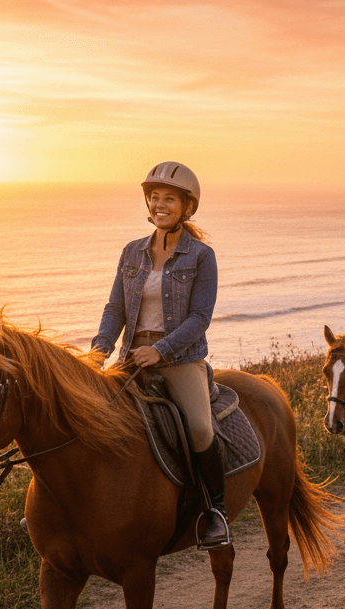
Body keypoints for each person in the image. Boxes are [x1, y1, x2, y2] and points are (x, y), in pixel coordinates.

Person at [91, 161, 230, 550]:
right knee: (91, 416)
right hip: (132, 357)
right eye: (154, 197)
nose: (159, 204)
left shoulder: (201, 256)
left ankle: (214, 511)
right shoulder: (132, 252)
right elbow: (115, 308)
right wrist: (99, 351)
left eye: (169, 198)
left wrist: (161, 349)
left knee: (201, 429)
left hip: (180, 359)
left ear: (187, 207)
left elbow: (200, 317)